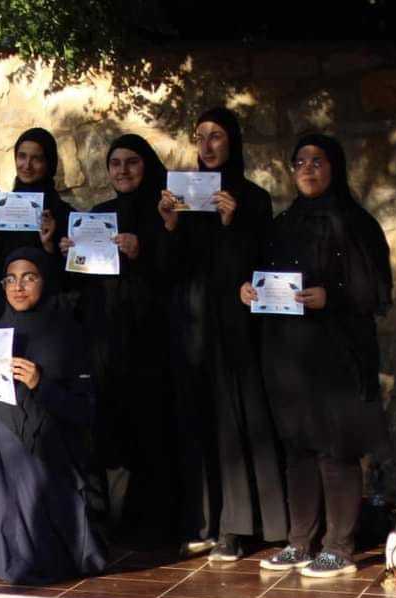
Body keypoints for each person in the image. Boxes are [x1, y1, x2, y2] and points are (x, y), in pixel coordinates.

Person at [245, 134, 391, 578]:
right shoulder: (283, 223)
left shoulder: (356, 223)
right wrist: (247, 289)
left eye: (317, 161)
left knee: (335, 448)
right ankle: (300, 542)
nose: (307, 170)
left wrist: (332, 297)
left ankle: (340, 548)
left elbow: (377, 291)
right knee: (298, 449)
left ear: (334, 167)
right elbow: (261, 273)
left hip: (337, 354)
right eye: (300, 162)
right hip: (288, 356)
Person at [155, 108, 286, 559]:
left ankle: (237, 526)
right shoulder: (186, 198)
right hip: (192, 327)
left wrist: (231, 225)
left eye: (216, 136)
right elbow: (171, 269)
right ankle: (204, 521)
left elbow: (257, 266)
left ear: (233, 142)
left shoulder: (253, 199)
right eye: (200, 137)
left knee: (233, 422)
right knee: (196, 420)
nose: (207, 146)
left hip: (234, 328)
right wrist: (170, 225)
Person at [0, 247, 107, 583]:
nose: (18, 287)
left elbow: (84, 410)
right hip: (1, 454)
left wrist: (40, 383)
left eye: (29, 277)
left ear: (45, 281)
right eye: (10, 279)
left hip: (48, 457)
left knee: (47, 554)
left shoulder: (67, 334)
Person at [59, 134, 177, 545]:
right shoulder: (100, 215)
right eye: (115, 163)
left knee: (151, 429)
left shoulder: (163, 212)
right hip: (105, 341)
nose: (122, 171)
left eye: (131, 162)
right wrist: (68, 252)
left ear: (147, 166)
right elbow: (80, 282)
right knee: (110, 430)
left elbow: (178, 268)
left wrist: (143, 249)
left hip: (150, 341)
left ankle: (155, 527)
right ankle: (110, 522)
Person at [0, 128, 75, 323]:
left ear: (49, 163)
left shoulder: (64, 214)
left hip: (46, 322)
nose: (27, 165)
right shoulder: (1, 212)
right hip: (2, 315)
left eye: (36, 159)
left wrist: (49, 246)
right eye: (22, 156)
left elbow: (68, 283)